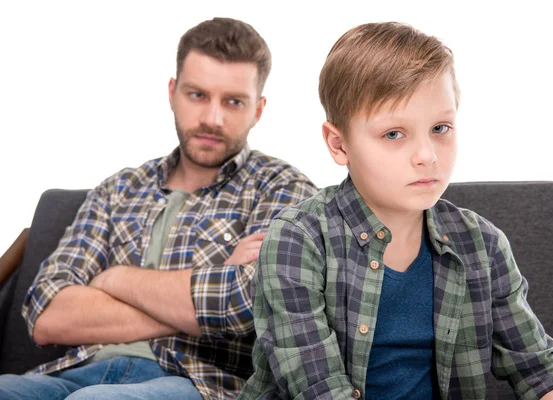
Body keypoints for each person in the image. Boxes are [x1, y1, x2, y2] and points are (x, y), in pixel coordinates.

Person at [239, 22, 553, 399]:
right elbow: (319, 389)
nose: (427, 155)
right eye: (393, 134)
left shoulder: (483, 245)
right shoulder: (298, 240)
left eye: (440, 127)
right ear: (339, 145)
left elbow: (538, 367)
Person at [0, 17, 317, 400]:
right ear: (172, 92)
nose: (212, 118)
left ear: (258, 110)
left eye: (233, 101)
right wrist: (200, 298)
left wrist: (115, 279)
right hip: (77, 370)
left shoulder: (283, 187)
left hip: (198, 381)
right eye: (197, 95)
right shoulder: (118, 190)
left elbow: (246, 302)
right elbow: (46, 315)